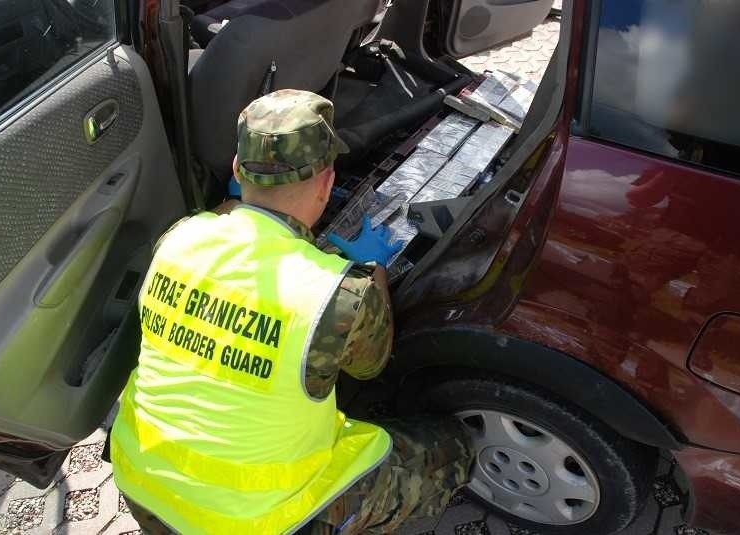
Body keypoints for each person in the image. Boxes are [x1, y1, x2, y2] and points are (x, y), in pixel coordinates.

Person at [110, 89, 473, 535]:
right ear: (326, 184)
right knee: (449, 446)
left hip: (143, 485)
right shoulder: (338, 292)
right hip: (259, 520)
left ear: (238, 172)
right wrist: (373, 267)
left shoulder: (180, 238)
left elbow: (223, 220)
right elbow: (371, 365)